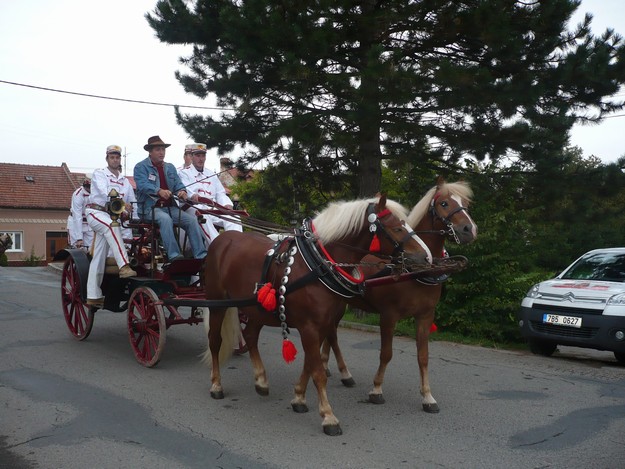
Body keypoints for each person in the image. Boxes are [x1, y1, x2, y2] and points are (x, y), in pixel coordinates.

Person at [133, 135, 207, 261]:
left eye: (163, 149)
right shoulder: (141, 167)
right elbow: (142, 185)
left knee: (192, 221)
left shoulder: (170, 167)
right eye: (158, 150)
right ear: (150, 152)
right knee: (165, 219)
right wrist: (158, 191)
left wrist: (182, 192)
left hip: (170, 207)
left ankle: (201, 256)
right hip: (150, 209)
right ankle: (174, 256)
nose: (161, 152)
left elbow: (178, 184)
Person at [85, 145, 137, 306]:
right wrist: (122, 203)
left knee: (99, 255)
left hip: (114, 215)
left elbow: (132, 201)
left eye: (117, 157)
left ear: (120, 159)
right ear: (107, 159)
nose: (115, 160)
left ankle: (93, 295)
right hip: (97, 212)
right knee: (111, 226)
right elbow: (103, 192)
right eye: (112, 157)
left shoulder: (125, 181)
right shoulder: (100, 174)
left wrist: (132, 212)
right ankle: (123, 266)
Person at [179, 143, 243, 241]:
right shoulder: (183, 173)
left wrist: (226, 204)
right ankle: (217, 246)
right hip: (193, 209)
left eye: (203, 155)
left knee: (234, 216)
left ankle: (236, 245)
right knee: (203, 218)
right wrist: (193, 196)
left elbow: (220, 193)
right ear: (191, 156)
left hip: (212, 210)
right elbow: (185, 189)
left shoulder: (211, 174)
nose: (201, 159)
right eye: (197, 155)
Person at [68, 178, 93, 249]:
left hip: (89, 224)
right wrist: (79, 238)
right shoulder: (78, 194)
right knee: (77, 249)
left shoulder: (95, 194)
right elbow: (77, 216)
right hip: (76, 224)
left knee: (91, 249)